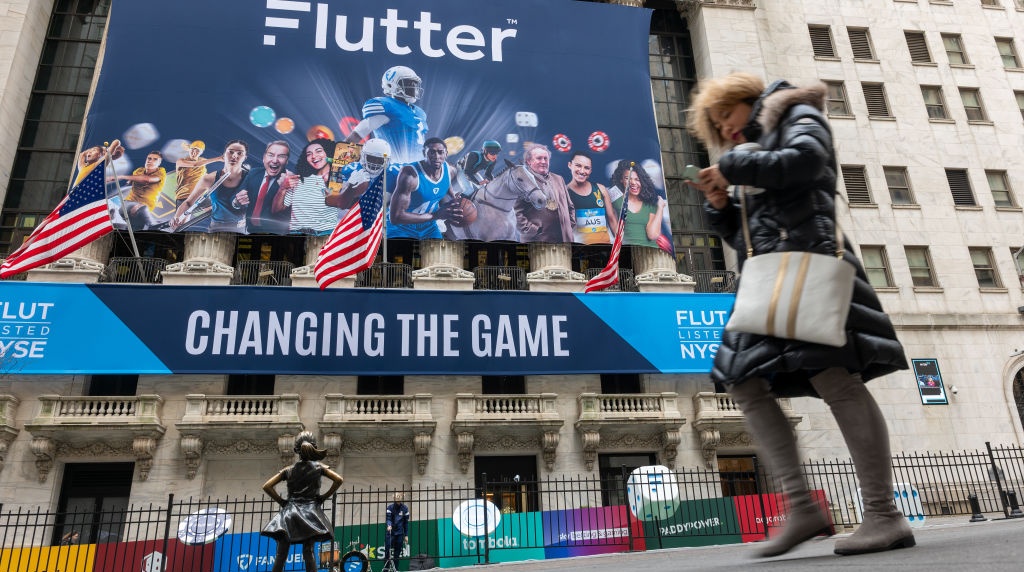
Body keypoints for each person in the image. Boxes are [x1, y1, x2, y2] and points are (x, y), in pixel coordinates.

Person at [685, 72, 912, 557]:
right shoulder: (755, 149)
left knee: (835, 379)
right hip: (770, 279)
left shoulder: (794, 113)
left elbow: (806, 163)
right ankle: (801, 506)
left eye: (726, 114)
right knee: (741, 381)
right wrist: (721, 206)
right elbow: (750, 235)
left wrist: (735, 164)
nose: (725, 128)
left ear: (746, 99)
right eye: (716, 124)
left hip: (809, 268)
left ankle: (883, 513)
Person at [262, 431, 344, 572]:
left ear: (296, 450)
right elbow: (339, 479)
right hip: (310, 513)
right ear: (314, 447)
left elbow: (267, 486)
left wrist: (282, 501)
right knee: (308, 552)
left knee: (281, 554)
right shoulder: (319, 467)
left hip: (289, 513)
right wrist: (324, 496)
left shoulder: (289, 470)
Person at [345, 66, 427, 164]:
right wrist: (341, 160)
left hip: (420, 169)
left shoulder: (419, 112)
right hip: (394, 168)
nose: (413, 87)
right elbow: (359, 132)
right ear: (391, 85)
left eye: (415, 84)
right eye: (409, 83)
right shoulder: (387, 106)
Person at [387, 137, 464, 240]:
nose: (436, 156)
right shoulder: (410, 175)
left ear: (446, 154)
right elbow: (396, 217)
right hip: (402, 227)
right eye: (432, 152)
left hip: (429, 227)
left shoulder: (450, 171)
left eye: (440, 152)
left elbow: (445, 188)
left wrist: (454, 199)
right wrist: (436, 215)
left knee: (439, 255)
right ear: (424, 153)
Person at [173, 140, 250, 232]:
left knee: (212, 207)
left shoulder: (252, 179)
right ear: (224, 154)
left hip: (241, 231)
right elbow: (195, 165)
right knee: (182, 225)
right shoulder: (182, 161)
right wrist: (177, 218)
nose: (234, 155)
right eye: (231, 152)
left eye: (239, 153)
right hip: (184, 195)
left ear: (245, 157)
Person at [513, 144, 574, 243]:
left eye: (546, 158)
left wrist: (568, 225)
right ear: (529, 161)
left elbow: (570, 206)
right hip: (536, 242)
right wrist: (533, 230)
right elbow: (515, 213)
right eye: (539, 158)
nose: (543, 162)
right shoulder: (522, 181)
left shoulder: (559, 179)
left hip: (564, 240)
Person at [281, 139, 341, 235]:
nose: (313, 156)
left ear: (328, 153)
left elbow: (337, 203)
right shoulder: (298, 180)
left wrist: (328, 183)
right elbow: (278, 208)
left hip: (325, 235)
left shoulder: (339, 179)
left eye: (319, 151)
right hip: (297, 235)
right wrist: (282, 188)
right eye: (309, 154)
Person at [608, 160, 667, 250]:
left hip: (651, 251)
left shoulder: (649, 204)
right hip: (628, 251)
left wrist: (660, 208)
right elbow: (612, 222)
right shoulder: (615, 199)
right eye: (628, 178)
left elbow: (652, 235)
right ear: (621, 179)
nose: (633, 183)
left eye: (637, 179)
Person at [327, 138, 392, 212]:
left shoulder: (393, 173)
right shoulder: (350, 170)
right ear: (363, 156)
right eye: (371, 158)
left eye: (380, 160)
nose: (375, 163)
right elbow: (333, 201)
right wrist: (350, 187)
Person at [566, 151, 617, 245]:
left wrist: (620, 245)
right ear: (570, 165)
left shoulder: (601, 189)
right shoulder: (564, 193)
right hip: (579, 250)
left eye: (586, 168)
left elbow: (612, 218)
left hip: (605, 247)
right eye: (578, 165)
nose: (582, 171)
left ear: (590, 170)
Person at [245, 140, 295, 234]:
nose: (275, 160)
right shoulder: (253, 173)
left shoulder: (291, 180)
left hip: (276, 234)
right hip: (251, 230)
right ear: (264, 158)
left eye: (281, 156)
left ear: (287, 161)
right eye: (271, 155)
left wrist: (284, 188)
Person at [117, 150, 167, 230]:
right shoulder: (138, 171)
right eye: (149, 158)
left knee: (134, 231)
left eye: (155, 159)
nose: (150, 161)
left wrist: (122, 176)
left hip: (144, 210)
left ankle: (150, 225)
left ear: (159, 163)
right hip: (128, 204)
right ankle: (152, 224)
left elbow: (147, 179)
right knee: (141, 207)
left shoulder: (161, 172)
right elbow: (129, 184)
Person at [174, 141, 223, 209]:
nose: (194, 153)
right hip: (184, 196)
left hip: (199, 195)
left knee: (215, 208)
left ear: (201, 152)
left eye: (197, 151)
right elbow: (195, 164)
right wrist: (218, 158)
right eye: (192, 149)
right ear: (189, 149)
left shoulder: (202, 162)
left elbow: (204, 175)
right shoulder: (180, 161)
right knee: (181, 219)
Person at [385, 491, 410, 567]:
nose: (398, 497)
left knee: (397, 553)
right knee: (387, 551)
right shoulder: (390, 507)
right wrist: (389, 525)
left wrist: (406, 535)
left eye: (399, 496)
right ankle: (386, 569)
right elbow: (388, 518)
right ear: (394, 498)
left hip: (399, 534)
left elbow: (406, 523)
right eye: (396, 496)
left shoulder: (405, 508)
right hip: (391, 533)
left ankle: (396, 568)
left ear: (402, 497)